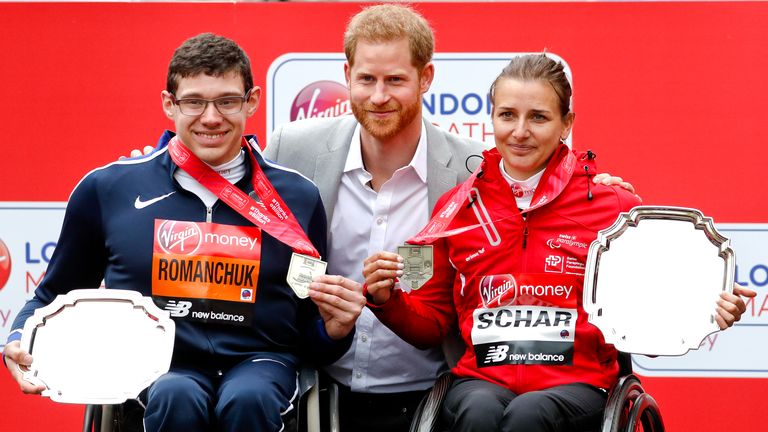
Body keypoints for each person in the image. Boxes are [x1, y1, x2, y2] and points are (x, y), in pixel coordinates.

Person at [132, 6, 634, 431]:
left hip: (430, 390)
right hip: (322, 385)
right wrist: (148, 167)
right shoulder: (291, 148)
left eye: (395, 80)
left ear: (426, 78)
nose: (379, 96)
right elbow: (218, 170)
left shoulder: (473, 169)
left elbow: (536, 183)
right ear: (346, 75)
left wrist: (596, 187)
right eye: (367, 79)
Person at [362, 54, 756, 431]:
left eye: (538, 117)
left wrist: (703, 310)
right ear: (492, 118)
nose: (519, 132)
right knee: (478, 411)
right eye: (507, 115)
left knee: (529, 415)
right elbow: (431, 323)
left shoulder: (613, 205)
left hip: (579, 385)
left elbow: (648, 322)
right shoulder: (459, 206)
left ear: (566, 123)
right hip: (482, 379)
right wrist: (387, 301)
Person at [2, 33, 364, 432]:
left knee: (249, 398)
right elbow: (52, 295)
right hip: (155, 364)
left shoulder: (296, 196)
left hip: (261, 363)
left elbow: (310, 329)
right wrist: (19, 339)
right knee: (178, 395)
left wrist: (336, 331)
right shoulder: (109, 189)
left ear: (252, 101)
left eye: (227, 101)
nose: (211, 118)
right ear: (168, 104)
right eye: (194, 102)